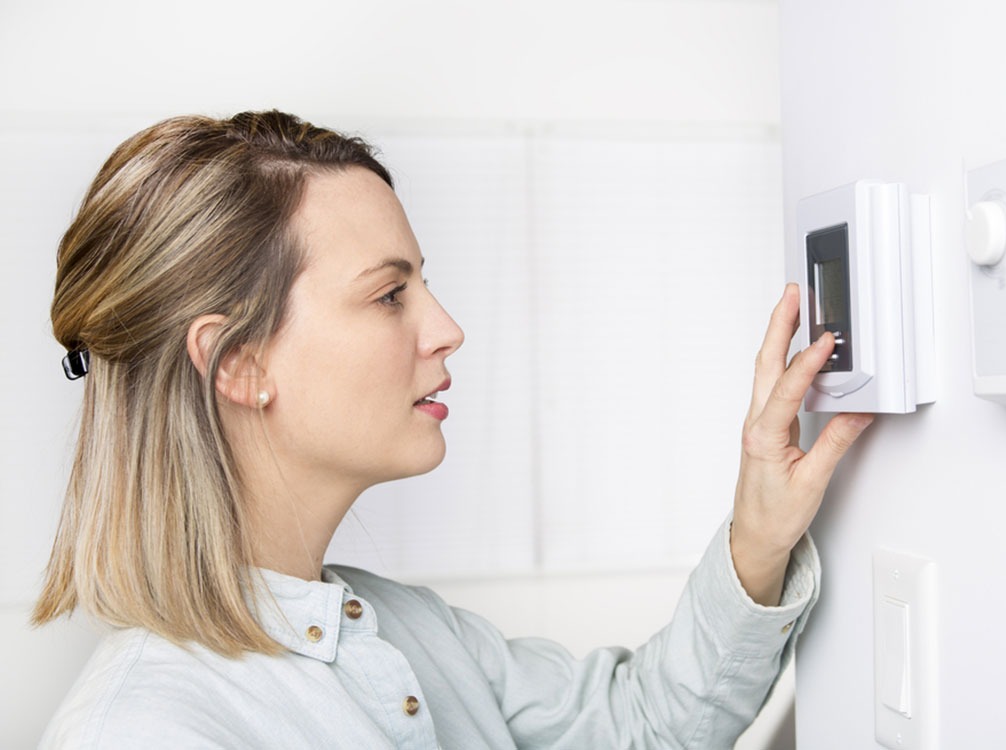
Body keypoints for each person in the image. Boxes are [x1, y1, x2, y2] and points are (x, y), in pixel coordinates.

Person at [33, 110, 872, 749]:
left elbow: (641, 726)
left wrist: (759, 534)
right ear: (238, 363)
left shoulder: (408, 633)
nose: (446, 329)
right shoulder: (144, 729)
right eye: (390, 295)